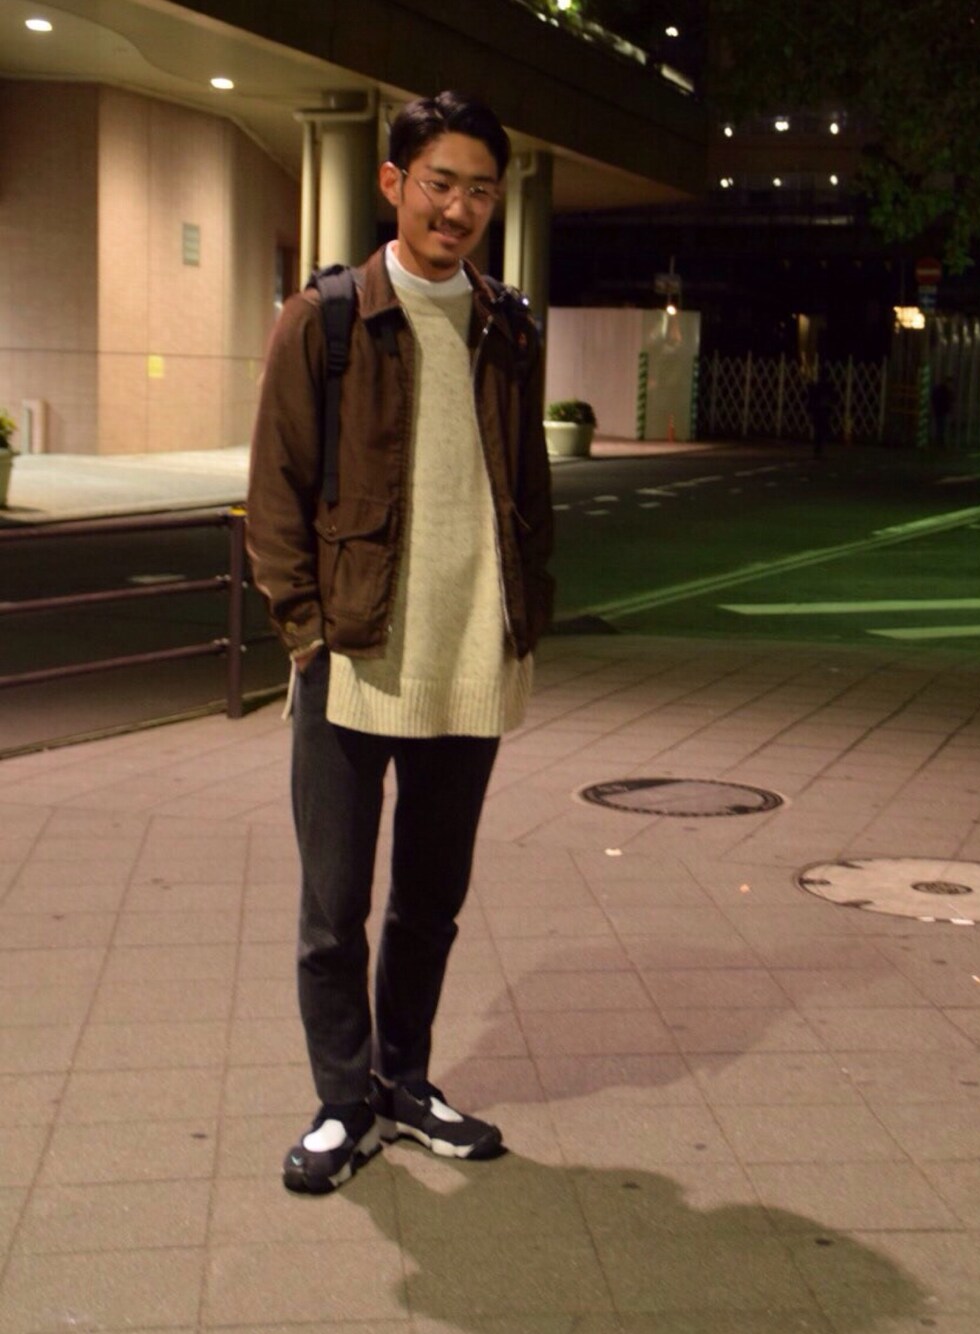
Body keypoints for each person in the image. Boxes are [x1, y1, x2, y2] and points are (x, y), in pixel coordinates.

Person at [246, 91, 554, 1195]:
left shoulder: (508, 327)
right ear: (394, 183)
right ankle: (343, 1101)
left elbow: (527, 487)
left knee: (430, 901)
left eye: (480, 190)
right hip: (353, 656)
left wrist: (525, 617)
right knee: (333, 908)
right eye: (440, 183)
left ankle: (404, 1081)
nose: (458, 208)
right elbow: (274, 492)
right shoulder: (325, 319)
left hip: (470, 659)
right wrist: (304, 633)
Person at [931, 376, 954, 449]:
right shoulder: (944, 390)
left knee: (940, 426)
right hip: (941, 411)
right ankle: (940, 441)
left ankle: (939, 441)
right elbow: (947, 401)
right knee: (941, 427)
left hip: (940, 410)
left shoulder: (940, 389)